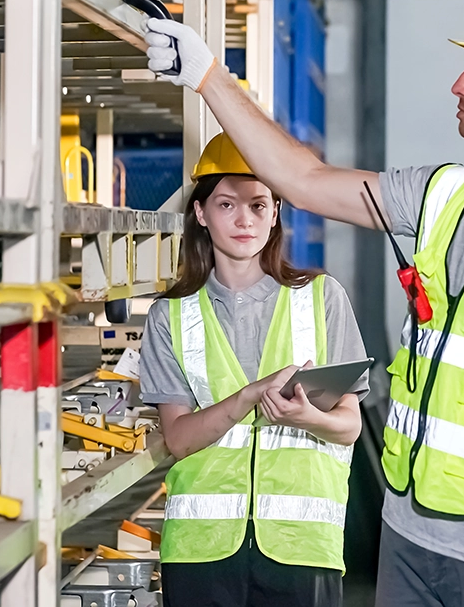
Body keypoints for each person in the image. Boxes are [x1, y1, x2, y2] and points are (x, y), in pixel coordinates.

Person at [142, 0, 464, 607]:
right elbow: (301, 180)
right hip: (408, 538)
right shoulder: (441, 195)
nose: (459, 83)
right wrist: (206, 76)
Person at [138, 133, 371, 607]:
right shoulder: (172, 316)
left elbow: (350, 426)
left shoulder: (322, 299)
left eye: (259, 205)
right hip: (201, 553)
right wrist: (249, 396)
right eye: (227, 204)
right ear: (201, 214)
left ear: (276, 212)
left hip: (302, 548)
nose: (245, 219)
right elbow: (178, 439)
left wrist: (310, 419)